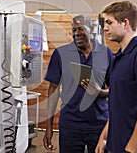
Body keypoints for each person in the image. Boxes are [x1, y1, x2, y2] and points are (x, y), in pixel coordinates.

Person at [96, 1, 137, 153]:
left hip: (136, 149)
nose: (105, 28)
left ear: (125, 23)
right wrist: (104, 137)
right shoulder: (119, 57)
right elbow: (117, 105)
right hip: (117, 145)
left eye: (109, 22)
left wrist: (130, 150)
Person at [43, 14, 113, 153]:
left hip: (99, 125)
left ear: (92, 28)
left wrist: (100, 93)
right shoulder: (60, 54)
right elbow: (53, 90)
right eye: (73, 30)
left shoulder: (106, 53)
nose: (76, 34)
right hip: (70, 124)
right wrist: (49, 127)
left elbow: (115, 89)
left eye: (81, 29)